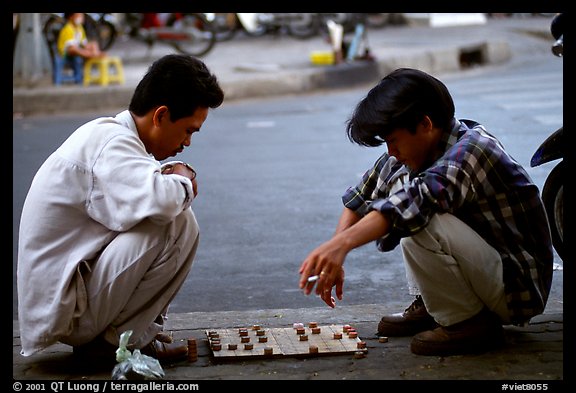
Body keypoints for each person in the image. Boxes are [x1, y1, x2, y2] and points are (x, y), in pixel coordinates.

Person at [298, 68, 553, 356]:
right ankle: (436, 306)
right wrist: (336, 249)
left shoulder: (472, 150)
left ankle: (467, 323)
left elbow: (412, 204)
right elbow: (361, 196)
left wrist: (341, 246)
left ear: (425, 124)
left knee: (416, 217)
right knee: (402, 193)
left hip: (516, 289)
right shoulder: (414, 151)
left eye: (393, 140)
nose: (391, 150)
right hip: (487, 273)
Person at [17, 54, 224, 363]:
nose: (188, 142)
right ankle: (117, 344)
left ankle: (130, 338)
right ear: (161, 116)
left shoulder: (115, 138)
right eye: (188, 130)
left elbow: (147, 196)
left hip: (71, 298)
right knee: (178, 223)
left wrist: (174, 177)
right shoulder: (112, 143)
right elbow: (166, 201)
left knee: (169, 216)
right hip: (67, 310)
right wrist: (184, 176)